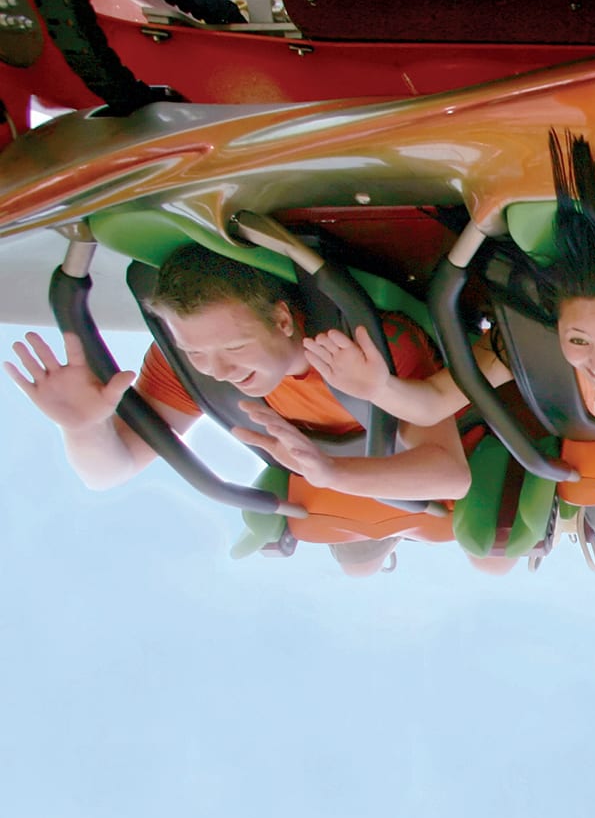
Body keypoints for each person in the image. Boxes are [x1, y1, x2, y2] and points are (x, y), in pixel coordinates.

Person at [299, 130, 595, 539]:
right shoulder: (525, 349)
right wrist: (379, 388)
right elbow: (432, 405)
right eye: (578, 340)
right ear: (556, 327)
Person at [5, 245, 471, 575]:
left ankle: (382, 542)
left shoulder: (370, 349)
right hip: (332, 466)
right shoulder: (194, 367)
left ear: (283, 320)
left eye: (235, 346)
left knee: (478, 556)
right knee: (356, 565)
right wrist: (83, 427)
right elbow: (108, 472)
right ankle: (369, 546)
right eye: (195, 353)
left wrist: (336, 475)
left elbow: (450, 473)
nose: (219, 369)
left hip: (445, 436)